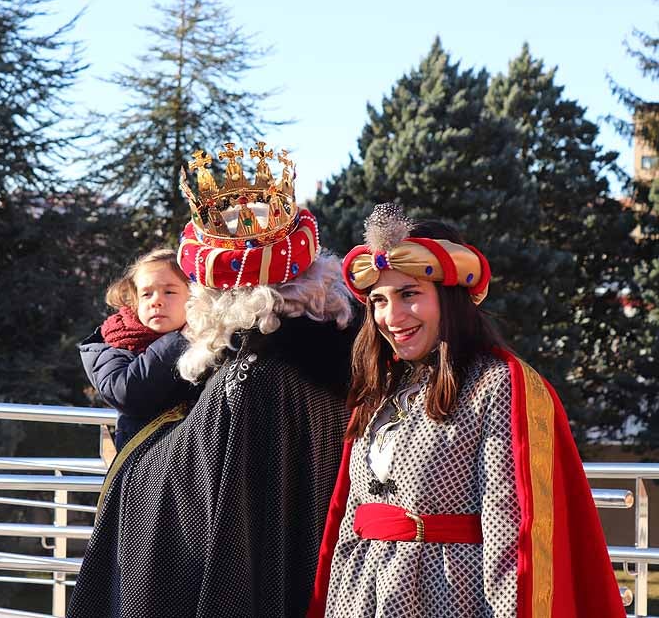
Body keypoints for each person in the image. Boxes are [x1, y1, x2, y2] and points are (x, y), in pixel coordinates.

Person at [68, 143, 356, 617]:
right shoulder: (338, 362)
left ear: (219, 293)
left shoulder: (248, 376)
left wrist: (134, 457)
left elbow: (180, 500)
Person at [306, 203, 624, 618]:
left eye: (409, 294)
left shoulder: (497, 385)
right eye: (379, 300)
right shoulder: (380, 388)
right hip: (359, 599)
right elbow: (350, 519)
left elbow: (511, 534)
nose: (391, 316)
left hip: (445, 599)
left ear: (451, 297)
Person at [79, 248, 201, 451]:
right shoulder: (114, 342)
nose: (156, 301)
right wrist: (181, 339)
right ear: (135, 300)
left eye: (169, 292)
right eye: (146, 294)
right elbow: (125, 392)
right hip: (144, 462)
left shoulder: (213, 341)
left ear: (194, 296)